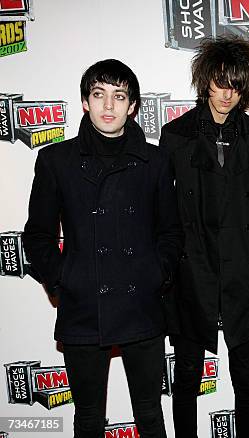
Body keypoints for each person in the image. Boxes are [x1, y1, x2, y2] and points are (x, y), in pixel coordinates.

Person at [23, 59, 183, 438]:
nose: (108, 106)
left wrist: (156, 273)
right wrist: (63, 280)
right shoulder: (56, 161)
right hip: (83, 304)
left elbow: (172, 232)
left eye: (119, 96)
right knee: (89, 417)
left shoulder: (156, 161)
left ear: (132, 106)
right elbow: (38, 236)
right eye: (99, 95)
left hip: (141, 304)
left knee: (149, 413)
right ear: (84, 102)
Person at [159, 36, 249, 438]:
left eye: (236, 84)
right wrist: (177, 256)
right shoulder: (175, 136)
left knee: (246, 376)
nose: (227, 93)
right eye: (220, 82)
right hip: (191, 274)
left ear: (245, 86)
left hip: (242, 276)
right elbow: (162, 208)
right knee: (188, 377)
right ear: (205, 81)